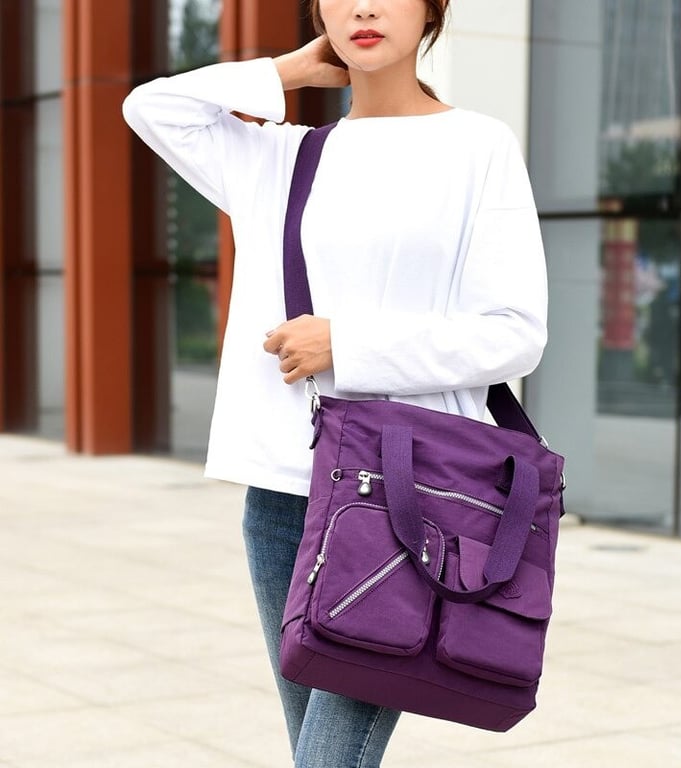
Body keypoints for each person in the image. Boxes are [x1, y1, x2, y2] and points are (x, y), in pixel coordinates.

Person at [123, 0, 548, 765]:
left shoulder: (477, 147)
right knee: (316, 753)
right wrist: (289, 70)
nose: (364, 6)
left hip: (408, 496)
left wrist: (347, 345)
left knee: (326, 758)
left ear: (432, 9)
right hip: (283, 494)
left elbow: (514, 332)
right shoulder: (281, 157)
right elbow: (152, 107)